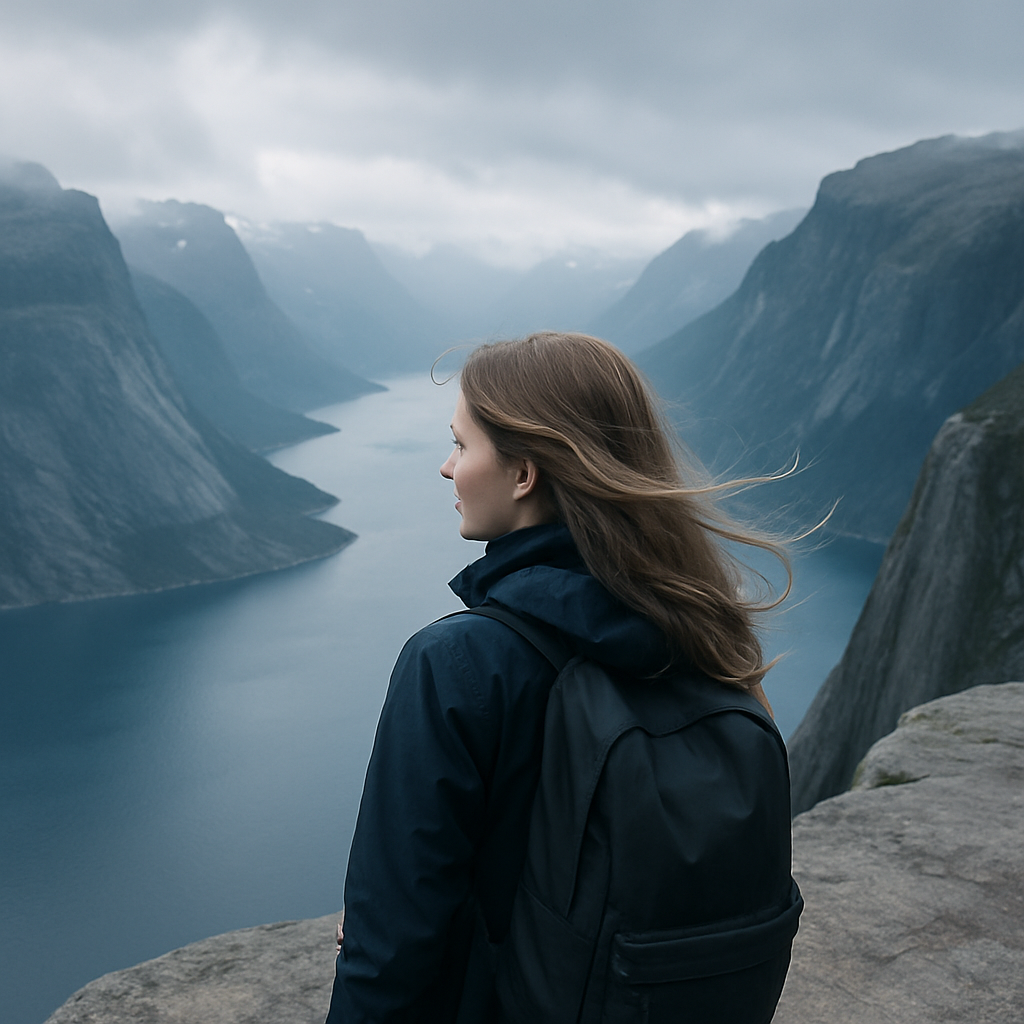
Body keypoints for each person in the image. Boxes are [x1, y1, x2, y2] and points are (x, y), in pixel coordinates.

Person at [326, 332, 794, 1024]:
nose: (447, 468)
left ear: (523, 474)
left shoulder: (457, 664)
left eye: (461, 444)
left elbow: (390, 945)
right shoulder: (700, 626)